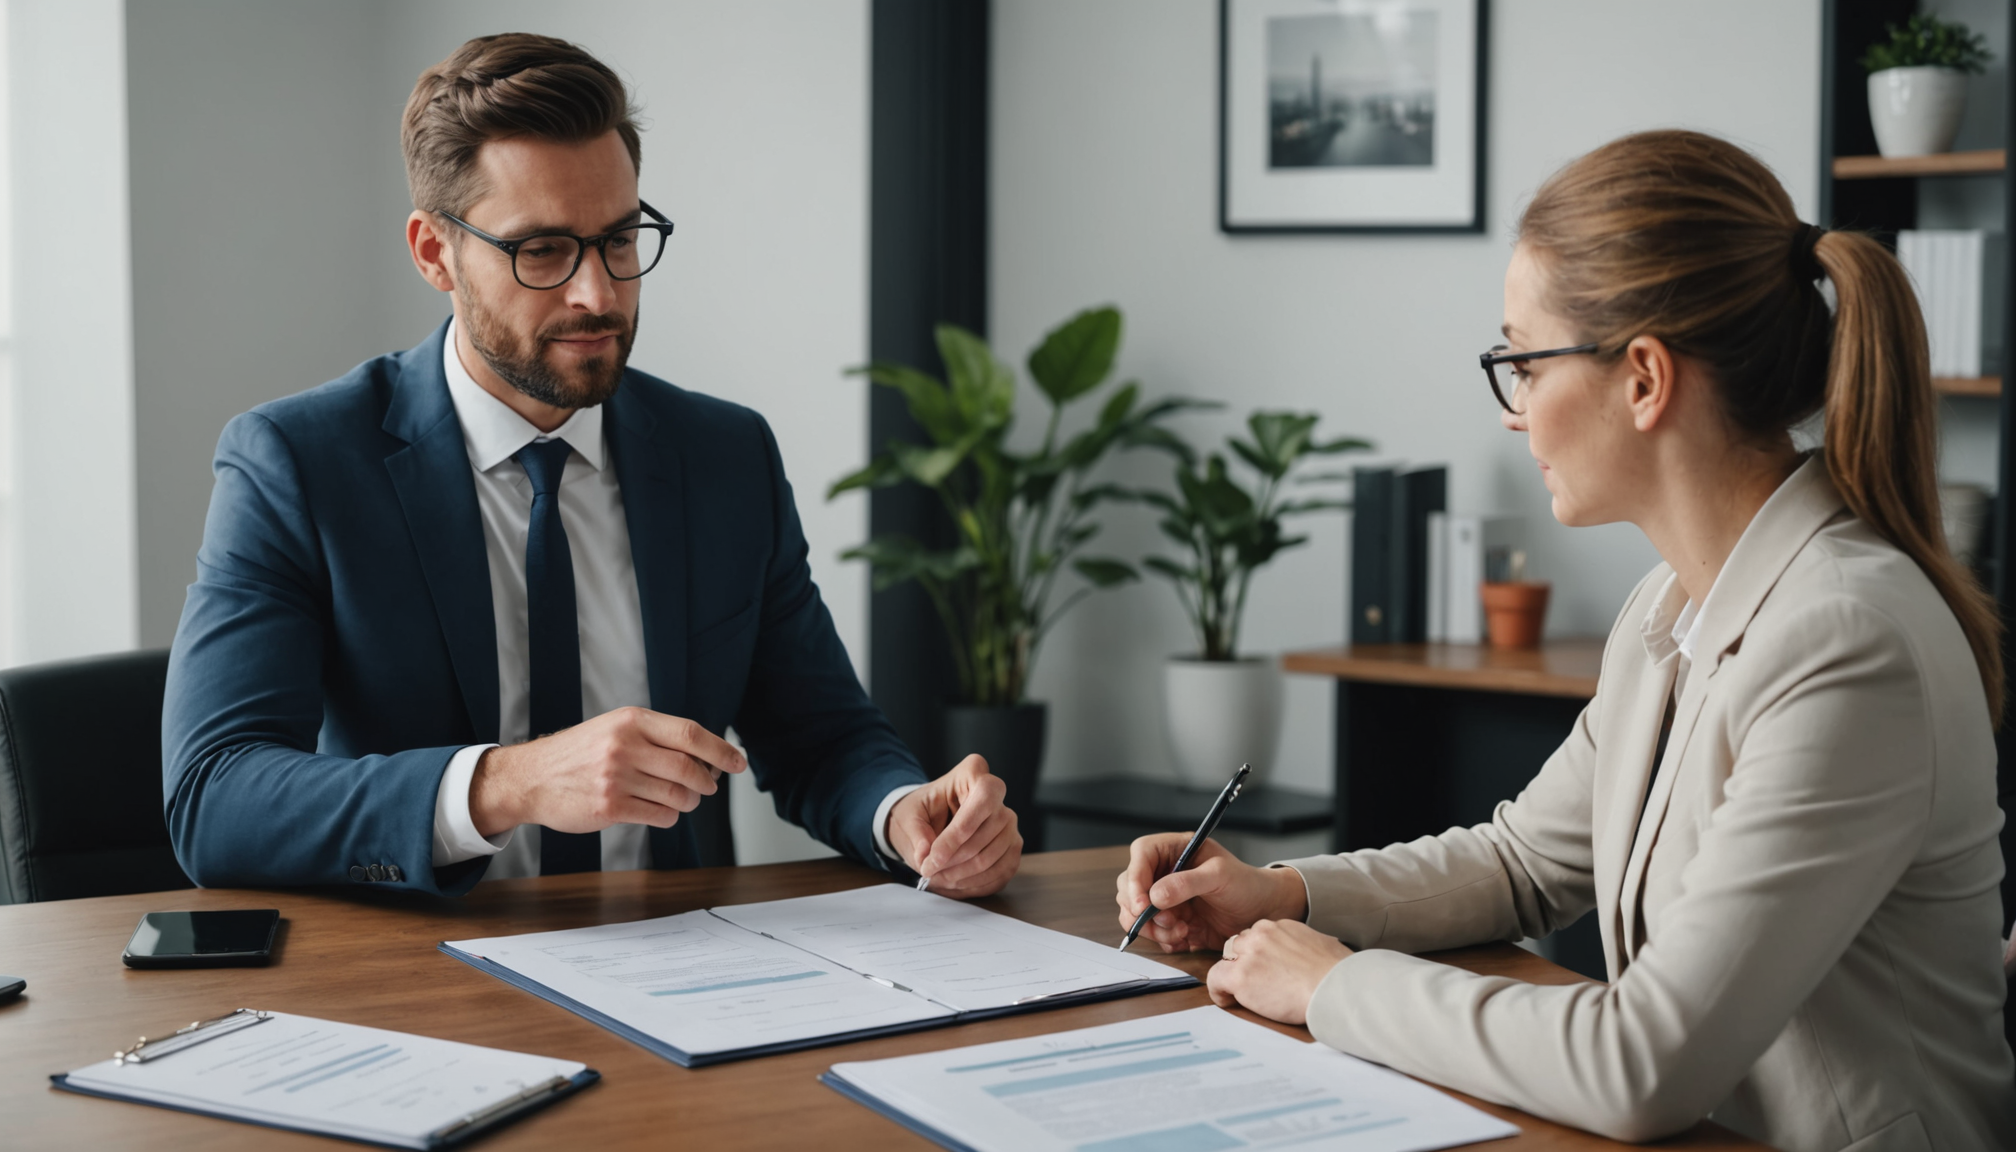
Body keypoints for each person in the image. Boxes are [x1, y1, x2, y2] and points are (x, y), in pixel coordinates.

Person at [1117, 130, 2016, 1149]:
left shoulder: (1848, 643)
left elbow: (1645, 1063)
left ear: (1643, 379)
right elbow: (1522, 863)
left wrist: (1334, 986)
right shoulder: (1667, 607)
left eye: (1522, 362)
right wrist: (1279, 893)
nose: (1514, 413)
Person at [163, 33, 1020, 899]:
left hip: (687, 970)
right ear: (435, 254)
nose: (598, 294)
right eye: (541, 251)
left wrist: (903, 811)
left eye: (618, 239)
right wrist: (512, 782)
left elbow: (823, 737)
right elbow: (216, 797)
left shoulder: (725, 456)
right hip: (424, 978)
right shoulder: (299, 464)